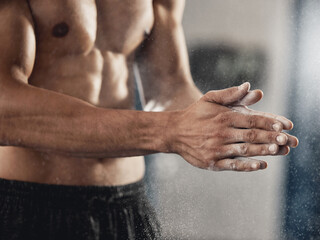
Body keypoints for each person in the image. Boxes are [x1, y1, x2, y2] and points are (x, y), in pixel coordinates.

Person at [0, 0, 298, 239]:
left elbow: (168, 85)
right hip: (27, 201)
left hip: (126, 203)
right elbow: (5, 110)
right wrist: (169, 131)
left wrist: (213, 119)